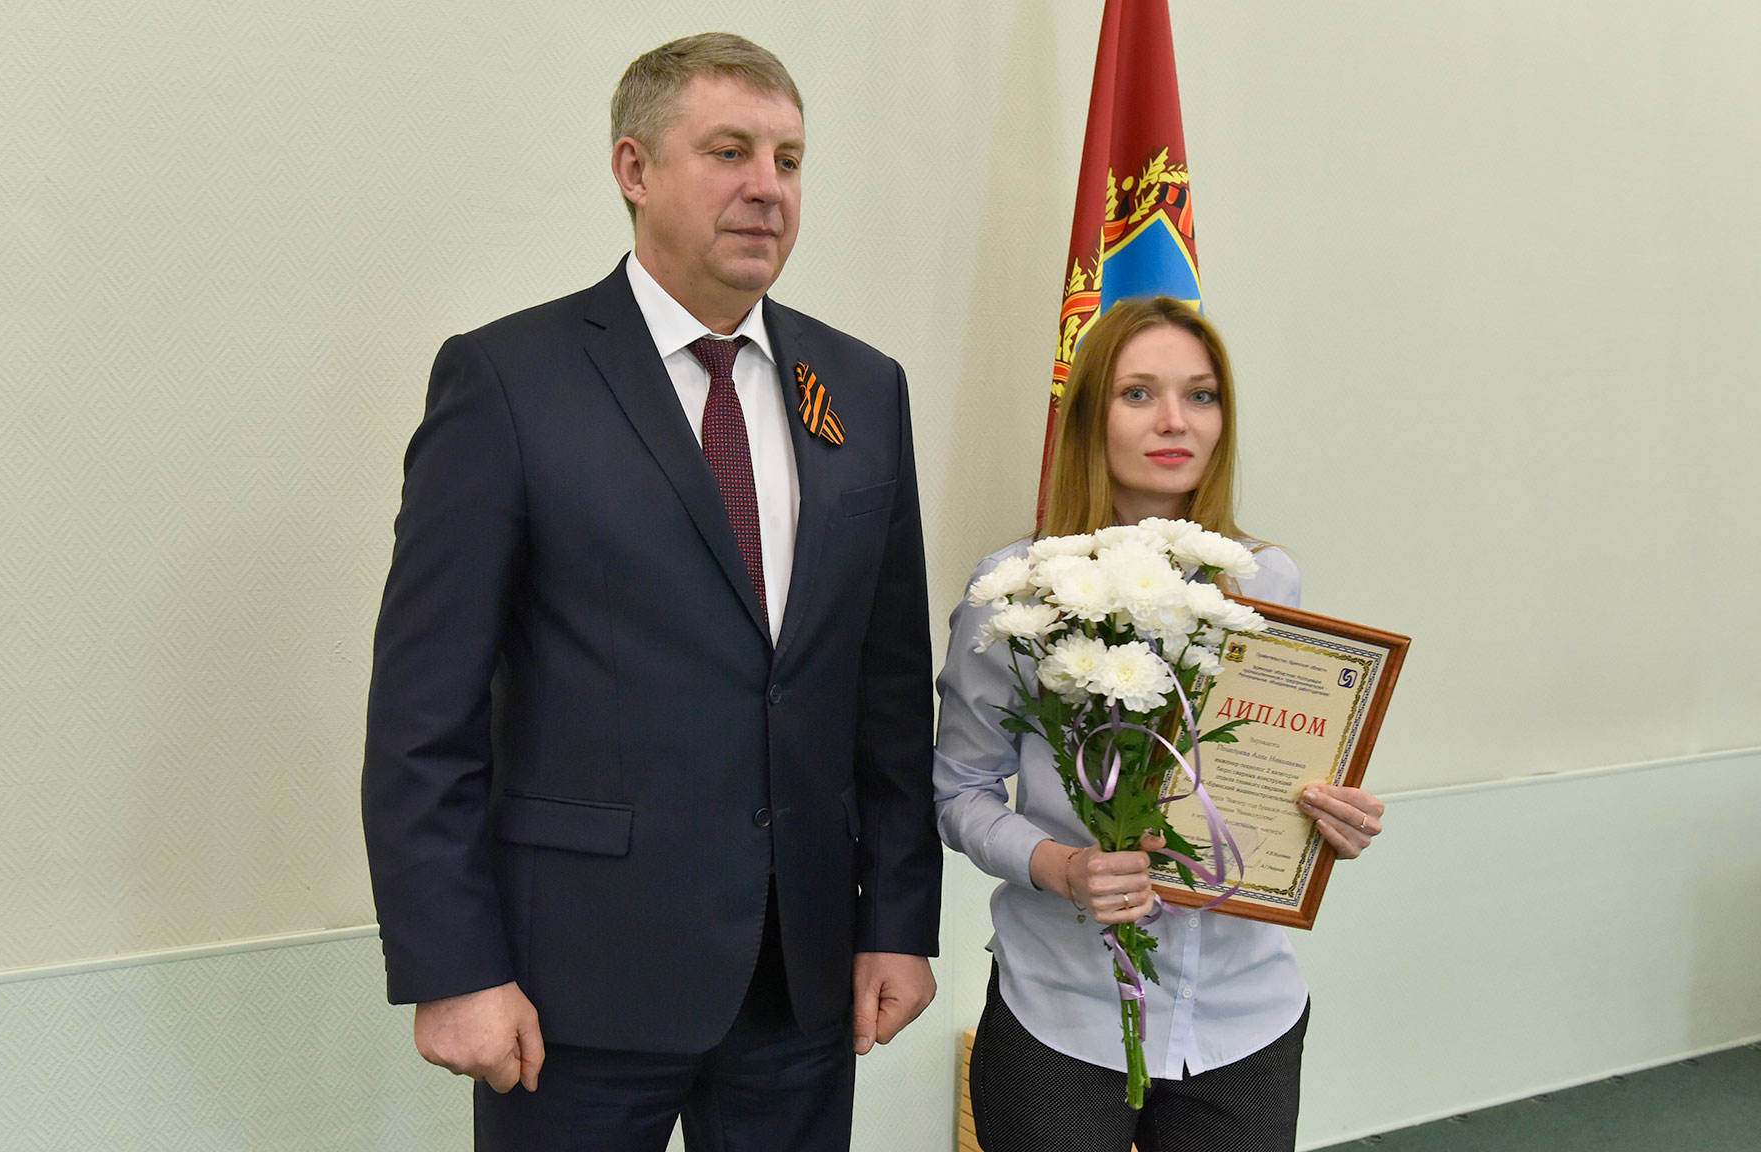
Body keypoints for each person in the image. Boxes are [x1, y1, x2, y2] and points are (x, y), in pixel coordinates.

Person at [361, 32, 942, 1152]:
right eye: (729, 152)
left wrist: (899, 919)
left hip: (801, 981)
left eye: (789, 160)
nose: (767, 188)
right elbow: (423, 713)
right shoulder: (509, 381)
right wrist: (453, 967)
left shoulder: (862, 389)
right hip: (571, 989)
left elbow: (884, 688)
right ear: (634, 168)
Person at [934, 297, 1384, 1152]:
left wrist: (1330, 819)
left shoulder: (1266, 580)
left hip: (1243, 1015)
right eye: (1138, 393)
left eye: (1201, 395)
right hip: (1062, 1009)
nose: (1176, 420)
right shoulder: (1017, 590)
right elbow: (958, 791)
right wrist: (1062, 866)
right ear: (1089, 416)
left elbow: (1269, 768)